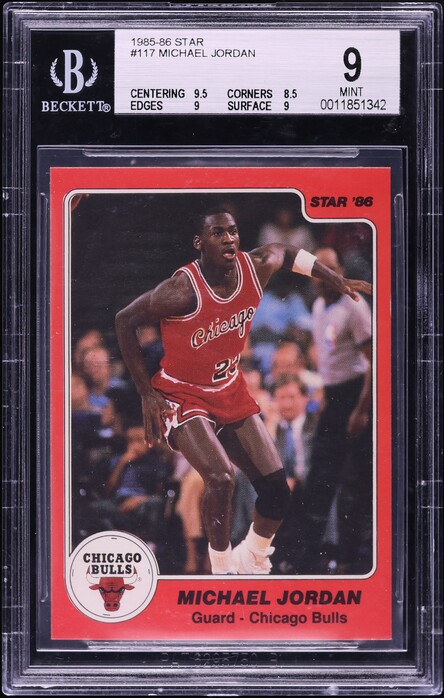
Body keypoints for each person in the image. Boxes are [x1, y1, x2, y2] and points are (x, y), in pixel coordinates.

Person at [115, 209, 371, 575]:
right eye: (218, 233)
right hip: (183, 393)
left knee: (277, 491)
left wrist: (334, 278)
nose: (229, 239)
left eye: (233, 232)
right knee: (221, 478)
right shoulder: (182, 289)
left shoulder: (255, 267)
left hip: (228, 387)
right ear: (199, 243)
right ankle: (221, 571)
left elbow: (287, 252)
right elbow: (124, 320)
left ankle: (251, 557)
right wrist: (146, 393)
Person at [301, 246, 373, 573]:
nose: (323, 277)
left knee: (352, 482)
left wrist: (362, 410)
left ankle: (349, 560)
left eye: (329, 268)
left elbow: (374, 363)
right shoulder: (318, 306)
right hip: (333, 397)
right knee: (319, 477)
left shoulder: (354, 306)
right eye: (317, 270)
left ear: (341, 271)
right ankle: (312, 558)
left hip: (356, 395)